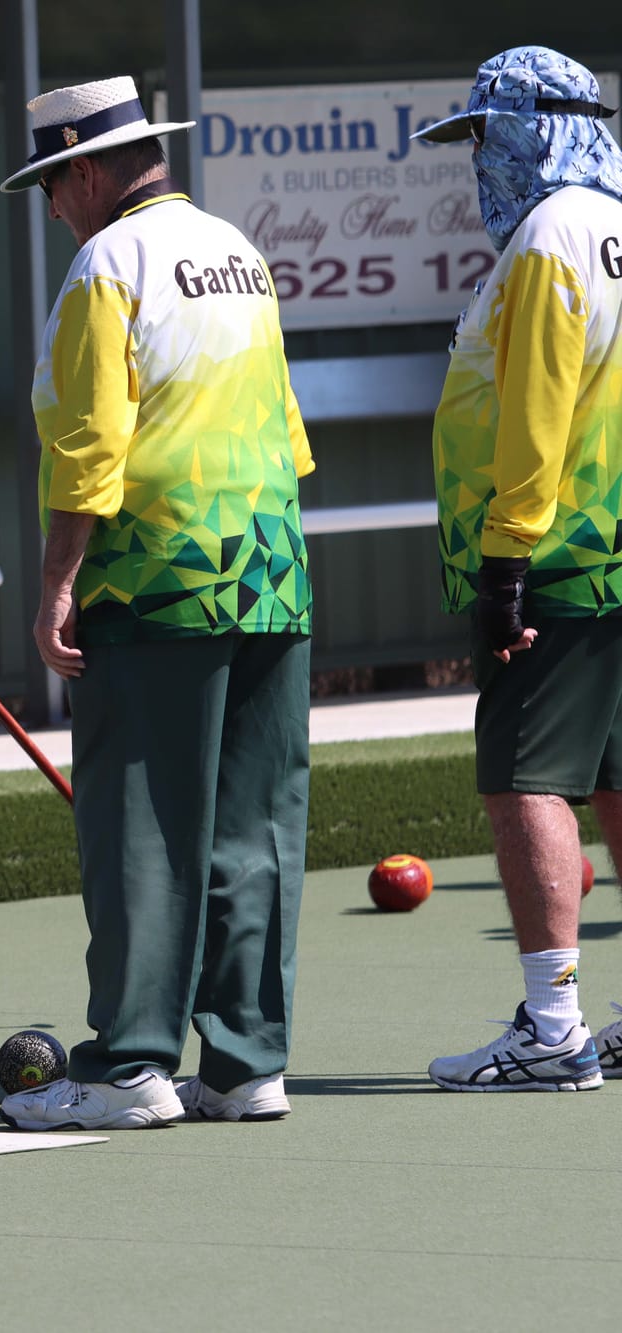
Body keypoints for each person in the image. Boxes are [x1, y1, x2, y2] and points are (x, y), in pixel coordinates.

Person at [0, 77, 315, 1130]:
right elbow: (286, 426)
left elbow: (90, 446)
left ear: (85, 170)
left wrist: (54, 588)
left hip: (154, 579)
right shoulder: (237, 248)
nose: (50, 206)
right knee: (252, 828)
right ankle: (241, 1064)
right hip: (270, 569)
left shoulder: (104, 261)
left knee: (138, 828)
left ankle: (128, 1064)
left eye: (50, 182)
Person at [413, 46, 622, 1092]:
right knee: (617, 778)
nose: (473, 168)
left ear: (525, 130)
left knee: (523, 777)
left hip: (557, 555)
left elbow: (537, 409)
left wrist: (503, 561)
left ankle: (551, 1027)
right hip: (612, 551)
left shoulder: (550, 233)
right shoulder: (617, 220)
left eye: (480, 142)